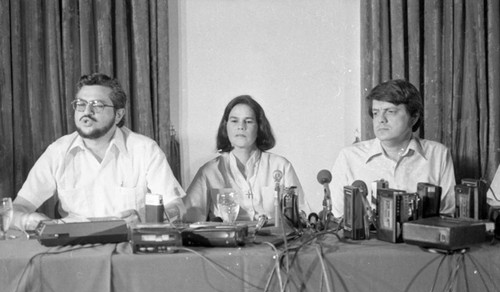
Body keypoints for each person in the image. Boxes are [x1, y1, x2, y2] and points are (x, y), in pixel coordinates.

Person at [12, 73, 185, 230]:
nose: (86, 112)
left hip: (129, 245)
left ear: (118, 115)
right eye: (81, 104)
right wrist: (29, 220)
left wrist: (147, 218)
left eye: (97, 105)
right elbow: (19, 207)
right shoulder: (57, 151)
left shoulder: (145, 150)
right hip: (74, 249)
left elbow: (178, 207)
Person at [331, 79, 456, 218]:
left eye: (390, 111)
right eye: (376, 112)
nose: (381, 119)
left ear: (414, 117)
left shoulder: (438, 154)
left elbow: (447, 215)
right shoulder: (349, 157)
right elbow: (338, 217)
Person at [183, 95, 309, 223]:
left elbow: (301, 215)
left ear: (259, 127)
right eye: (234, 121)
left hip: (273, 241)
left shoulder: (281, 166)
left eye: (248, 121)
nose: (241, 127)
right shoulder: (209, 171)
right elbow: (189, 220)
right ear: (225, 127)